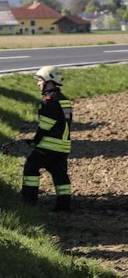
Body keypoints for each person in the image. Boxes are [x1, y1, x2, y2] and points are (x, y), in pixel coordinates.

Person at [22, 66, 73, 212]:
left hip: (48, 146)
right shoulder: (64, 100)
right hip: (63, 147)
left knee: (31, 167)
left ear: (48, 81)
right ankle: (63, 207)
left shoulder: (48, 100)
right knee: (60, 176)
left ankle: (28, 203)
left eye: (40, 80)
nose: (38, 83)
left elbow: (45, 126)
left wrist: (35, 142)